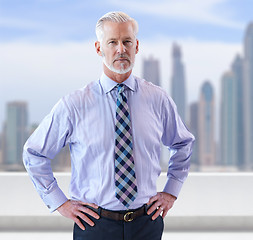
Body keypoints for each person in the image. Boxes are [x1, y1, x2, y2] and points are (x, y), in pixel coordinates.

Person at [23, 11, 194, 240]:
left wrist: (171, 192)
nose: (121, 49)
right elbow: (34, 153)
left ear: (137, 46)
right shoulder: (74, 105)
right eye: (112, 42)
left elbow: (183, 143)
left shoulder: (158, 99)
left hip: (147, 224)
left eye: (127, 41)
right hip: (94, 225)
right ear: (98, 48)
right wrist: (59, 202)